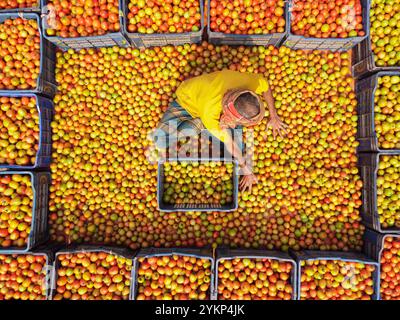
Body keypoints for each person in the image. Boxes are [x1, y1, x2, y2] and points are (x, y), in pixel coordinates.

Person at [153, 70, 287, 192]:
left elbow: (266, 86)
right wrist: (246, 169)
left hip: (207, 98)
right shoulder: (211, 114)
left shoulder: (249, 83)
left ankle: (206, 125)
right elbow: (230, 144)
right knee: (159, 142)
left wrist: (274, 116)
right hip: (187, 101)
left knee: (238, 147)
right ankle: (199, 123)